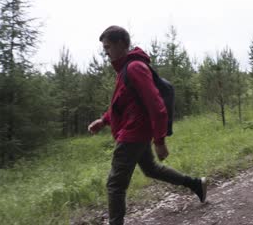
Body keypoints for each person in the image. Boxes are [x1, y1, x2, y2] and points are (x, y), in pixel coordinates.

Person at [87, 25, 207, 225]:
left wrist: (160, 140)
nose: (105, 52)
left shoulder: (135, 68)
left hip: (133, 134)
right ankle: (196, 184)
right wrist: (104, 120)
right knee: (151, 169)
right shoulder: (126, 69)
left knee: (115, 185)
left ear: (121, 44)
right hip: (136, 132)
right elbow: (122, 105)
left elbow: (156, 105)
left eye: (108, 47)